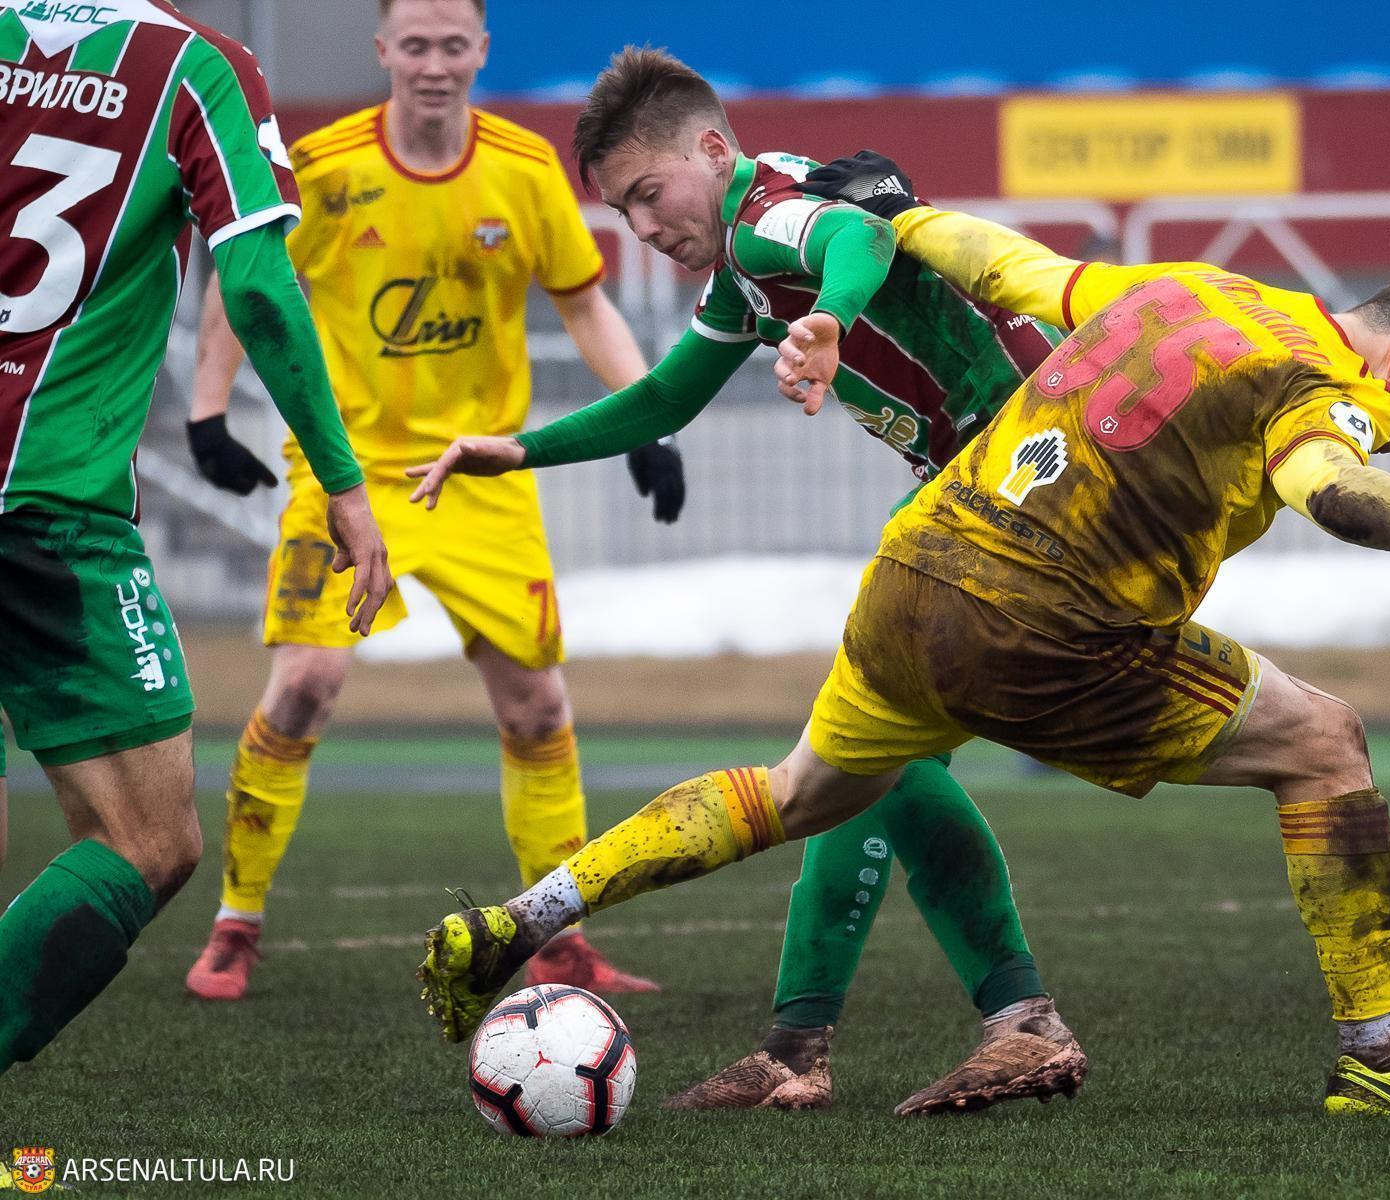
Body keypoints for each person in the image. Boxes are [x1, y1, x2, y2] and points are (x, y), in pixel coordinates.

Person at [412, 153, 1390, 1115]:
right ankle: (1382, 1068)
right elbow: (1326, 483)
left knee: (795, 792)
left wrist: (903, 214)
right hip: (1046, 628)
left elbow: (1016, 271)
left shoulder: (1195, 289)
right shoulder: (1331, 383)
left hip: (914, 574)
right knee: (1327, 743)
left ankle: (519, 919)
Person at [405, 47, 1086, 1116]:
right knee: (865, 758)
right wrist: (518, 450)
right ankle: (811, 1047)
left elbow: (857, 238)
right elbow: (664, 401)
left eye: (648, 194)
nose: (642, 228)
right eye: (622, 212)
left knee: (865, 753)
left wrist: (829, 319)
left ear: (713, 150)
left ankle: (995, 1025)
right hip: (997, 480)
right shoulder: (744, 266)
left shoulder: (767, 217)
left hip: (1028, 474)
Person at [180, 0, 679, 1003]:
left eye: (454, 45)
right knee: (306, 684)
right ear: (384, 52)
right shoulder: (323, 168)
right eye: (416, 45)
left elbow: (584, 302)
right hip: (349, 476)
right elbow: (247, 286)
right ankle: (236, 922)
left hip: (482, 475)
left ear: (482, 51)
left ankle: (561, 943)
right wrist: (206, 412)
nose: (435, 64)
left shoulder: (524, 170)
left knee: (538, 706)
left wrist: (649, 421)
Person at [0, 0, 391, 1074]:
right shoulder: (196, 68)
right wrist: (344, 483)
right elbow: (257, 287)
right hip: (43, 507)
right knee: (148, 839)